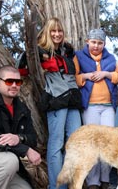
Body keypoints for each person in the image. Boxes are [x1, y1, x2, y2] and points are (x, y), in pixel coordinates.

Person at [74, 29, 118, 189]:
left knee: (108, 142)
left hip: (109, 107)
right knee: (93, 143)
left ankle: (105, 180)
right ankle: (93, 181)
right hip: (90, 107)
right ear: (87, 41)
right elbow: (74, 77)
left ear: (104, 44)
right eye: (94, 42)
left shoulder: (110, 58)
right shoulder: (79, 56)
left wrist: (106, 74)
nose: (96, 45)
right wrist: (87, 76)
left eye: (100, 43)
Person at [36, 17, 82, 189]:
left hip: (72, 97)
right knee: (56, 143)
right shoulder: (39, 50)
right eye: (53, 31)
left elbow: (74, 72)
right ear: (47, 32)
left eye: (59, 31)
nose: (56, 34)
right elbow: (23, 68)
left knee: (75, 141)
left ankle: (71, 183)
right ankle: (56, 186)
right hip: (55, 98)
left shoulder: (68, 49)